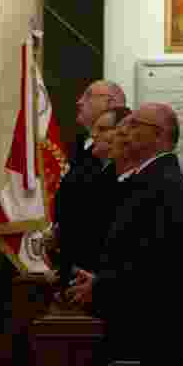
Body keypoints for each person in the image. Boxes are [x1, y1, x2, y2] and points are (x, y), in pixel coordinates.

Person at [67, 103, 183, 366]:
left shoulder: (164, 185)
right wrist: (100, 281)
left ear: (159, 135)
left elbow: (156, 263)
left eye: (134, 125)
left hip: (148, 332)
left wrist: (102, 285)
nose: (123, 131)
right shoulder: (149, 181)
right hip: (133, 323)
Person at [53, 80, 127, 283]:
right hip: (75, 268)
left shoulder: (123, 171)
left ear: (110, 103)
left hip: (98, 273)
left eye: (88, 95)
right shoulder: (79, 147)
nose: (79, 101)